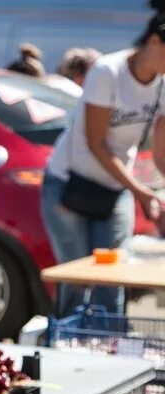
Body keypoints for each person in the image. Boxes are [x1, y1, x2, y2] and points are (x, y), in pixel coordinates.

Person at [41, 9, 165, 314]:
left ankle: (109, 350)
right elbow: (96, 145)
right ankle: (69, 353)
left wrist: (158, 193)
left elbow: (161, 154)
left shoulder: (163, 84)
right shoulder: (108, 72)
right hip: (69, 186)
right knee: (78, 282)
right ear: (154, 41)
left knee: (113, 281)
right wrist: (140, 191)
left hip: (115, 189)